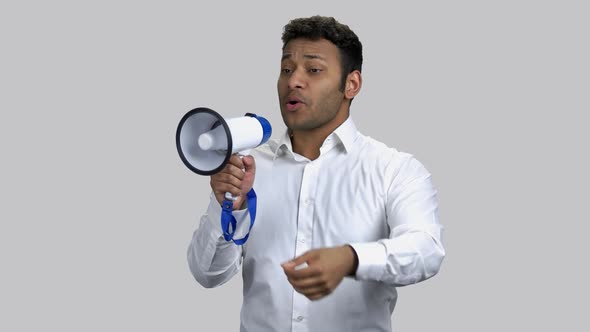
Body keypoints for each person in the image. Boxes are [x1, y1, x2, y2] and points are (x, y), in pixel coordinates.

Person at [187, 15, 445, 332]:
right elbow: (208, 275)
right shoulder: (248, 169)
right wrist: (228, 205)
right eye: (286, 69)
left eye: (313, 70)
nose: (294, 81)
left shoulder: (394, 170)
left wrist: (352, 259)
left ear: (351, 84)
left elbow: (426, 250)